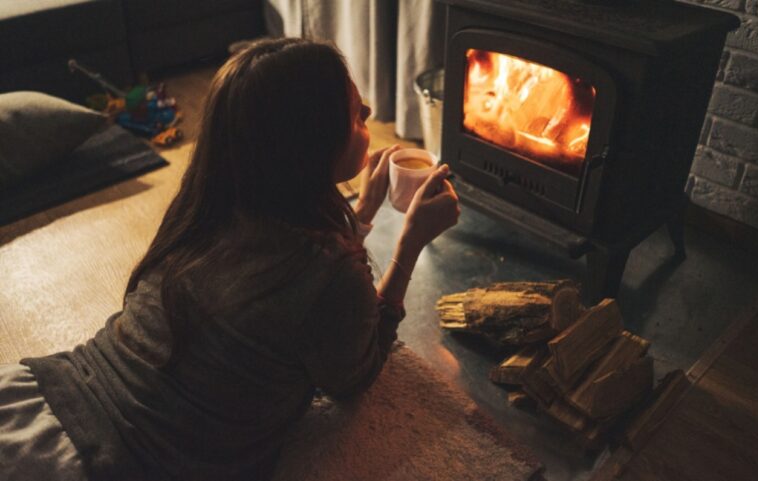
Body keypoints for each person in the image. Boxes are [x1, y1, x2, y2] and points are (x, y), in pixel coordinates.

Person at [0, 38, 459, 481]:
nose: (368, 113)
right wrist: (411, 243)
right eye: (353, 112)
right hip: (113, 460)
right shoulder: (330, 276)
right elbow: (354, 375)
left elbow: (283, 283)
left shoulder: (210, 206)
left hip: (54, 394)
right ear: (308, 144)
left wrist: (359, 215)